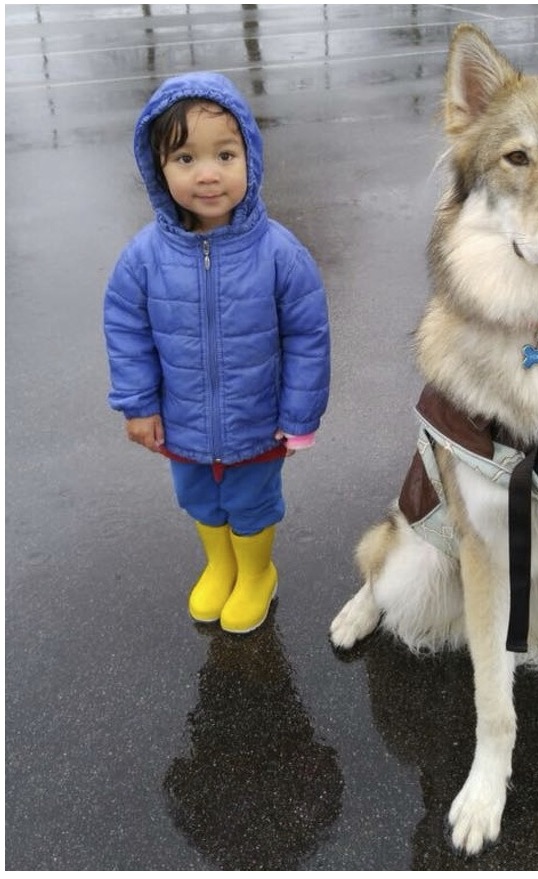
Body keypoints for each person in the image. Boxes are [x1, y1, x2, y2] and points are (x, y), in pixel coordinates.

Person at [103, 72, 330, 634]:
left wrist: (299, 416)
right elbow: (126, 329)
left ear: (249, 158)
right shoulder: (143, 257)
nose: (207, 174)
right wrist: (137, 405)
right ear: (158, 169)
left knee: (252, 501)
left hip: (258, 422)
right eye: (185, 158)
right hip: (181, 423)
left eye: (224, 154)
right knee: (199, 497)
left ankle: (256, 573)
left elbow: (307, 335)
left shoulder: (280, 253)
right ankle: (220, 564)